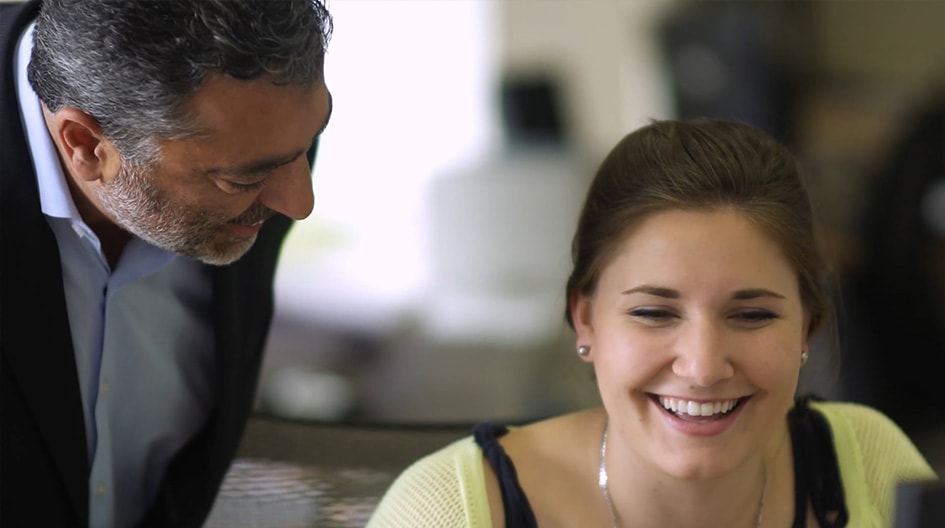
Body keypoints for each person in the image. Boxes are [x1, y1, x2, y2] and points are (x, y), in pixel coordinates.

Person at [366, 119, 938, 527]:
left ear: (808, 325)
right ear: (585, 321)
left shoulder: (867, 460)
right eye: (654, 313)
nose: (704, 365)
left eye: (753, 314)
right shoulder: (449, 510)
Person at [1, 1, 333, 527]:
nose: (299, 203)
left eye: (308, 140)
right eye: (242, 181)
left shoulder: (262, 136)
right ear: (85, 144)